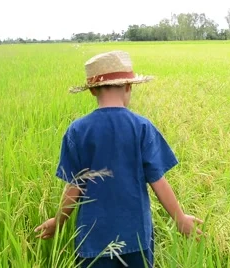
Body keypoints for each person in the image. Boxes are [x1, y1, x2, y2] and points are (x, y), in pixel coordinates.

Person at [34, 50, 203, 268]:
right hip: (136, 238)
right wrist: (179, 218)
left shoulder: (77, 131)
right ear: (128, 86)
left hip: (91, 239)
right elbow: (158, 181)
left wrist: (58, 222)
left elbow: (74, 187)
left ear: (92, 90)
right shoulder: (142, 127)